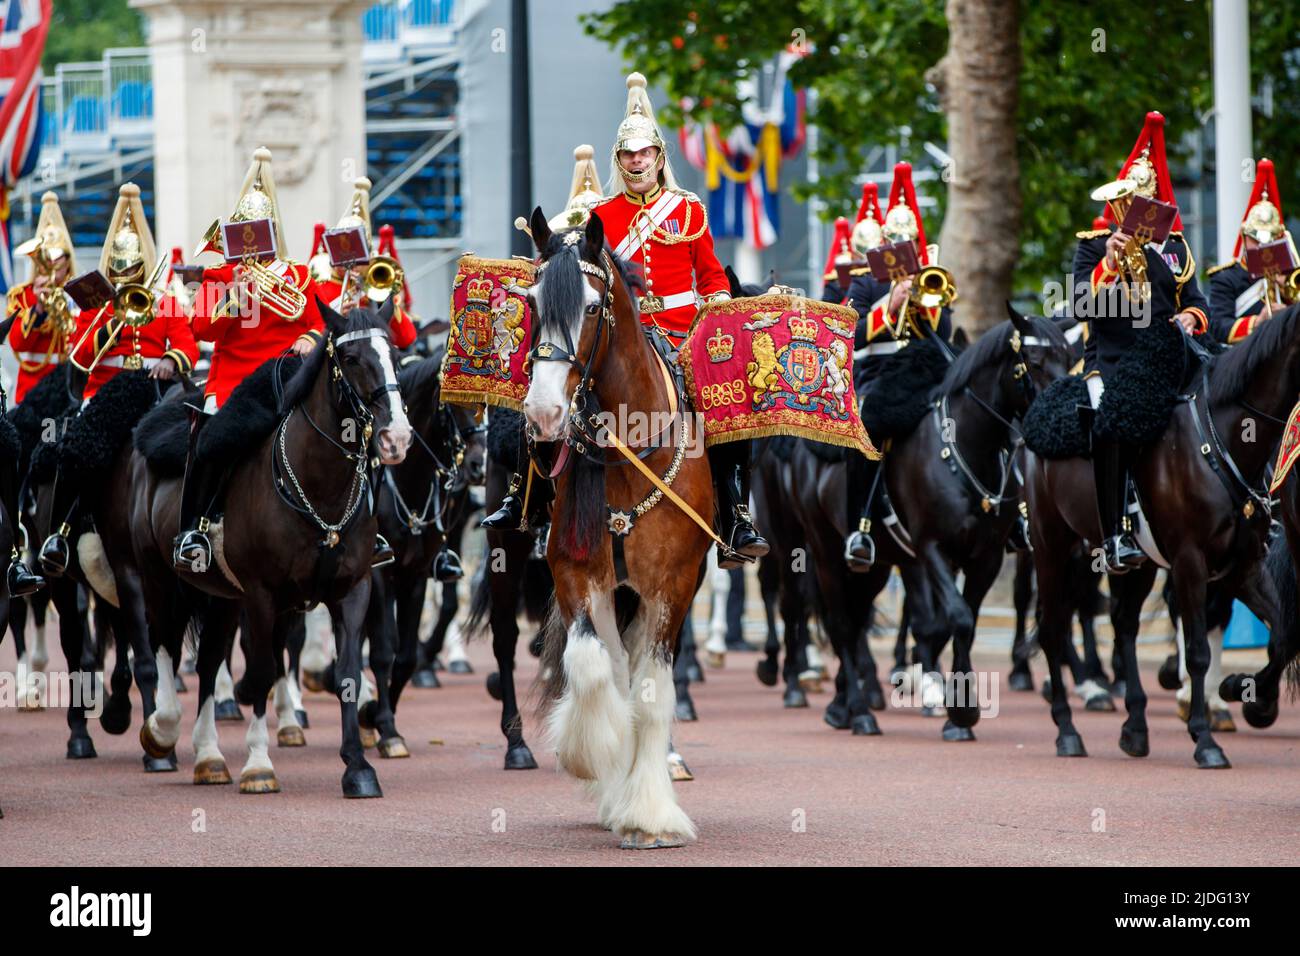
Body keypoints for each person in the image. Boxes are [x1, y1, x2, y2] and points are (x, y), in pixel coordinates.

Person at [172, 147, 326, 573]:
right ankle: (194, 530)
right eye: (245, 232)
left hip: (283, 378)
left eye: (259, 232)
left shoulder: (296, 275)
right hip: (233, 382)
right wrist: (232, 299)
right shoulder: (220, 274)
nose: (252, 242)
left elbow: (317, 322)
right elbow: (202, 330)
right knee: (206, 444)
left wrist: (310, 339)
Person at [39, 183, 199, 574]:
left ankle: (194, 527)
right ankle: (59, 533)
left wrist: (169, 359)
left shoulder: (163, 302)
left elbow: (188, 346)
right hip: (104, 393)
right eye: (121, 269)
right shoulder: (95, 306)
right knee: (71, 449)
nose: (128, 277)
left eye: (133, 269)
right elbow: (79, 355)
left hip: (152, 392)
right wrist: (108, 321)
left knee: (193, 442)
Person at [1074, 111, 1209, 573]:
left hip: (1169, 353)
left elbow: (1196, 302)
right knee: (1109, 423)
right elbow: (1081, 307)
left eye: (1145, 200)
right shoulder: (1094, 245)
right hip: (1114, 360)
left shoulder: (1175, 250)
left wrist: (1190, 319)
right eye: (1130, 199)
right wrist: (1111, 262)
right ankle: (1114, 535)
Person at [843, 161, 954, 570]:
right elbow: (848, 334)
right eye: (895, 240)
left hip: (924, 375)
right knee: (865, 430)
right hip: (878, 378)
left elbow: (946, 332)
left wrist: (923, 301)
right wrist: (889, 302)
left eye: (907, 240)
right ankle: (861, 527)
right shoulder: (865, 280)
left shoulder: (930, 277)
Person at [312, 177, 418, 349]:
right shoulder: (321, 284)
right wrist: (337, 316)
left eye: (357, 254)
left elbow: (406, 338)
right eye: (342, 252)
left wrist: (381, 300)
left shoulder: (375, 288)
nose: (350, 261)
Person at [1207, 158, 1293, 345]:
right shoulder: (1226, 278)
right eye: (1256, 239)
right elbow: (1218, 328)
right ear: (1245, 238)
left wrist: (1288, 293)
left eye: (1271, 238)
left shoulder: (1290, 276)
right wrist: (1257, 322)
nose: (1263, 245)